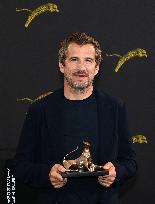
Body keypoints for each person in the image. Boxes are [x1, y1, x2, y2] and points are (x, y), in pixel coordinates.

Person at [14, 32, 137, 204]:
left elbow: (130, 163)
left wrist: (116, 172)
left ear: (97, 67)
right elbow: (20, 165)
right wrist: (47, 174)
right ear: (61, 65)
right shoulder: (40, 109)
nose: (81, 68)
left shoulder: (115, 108)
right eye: (74, 59)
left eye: (88, 60)